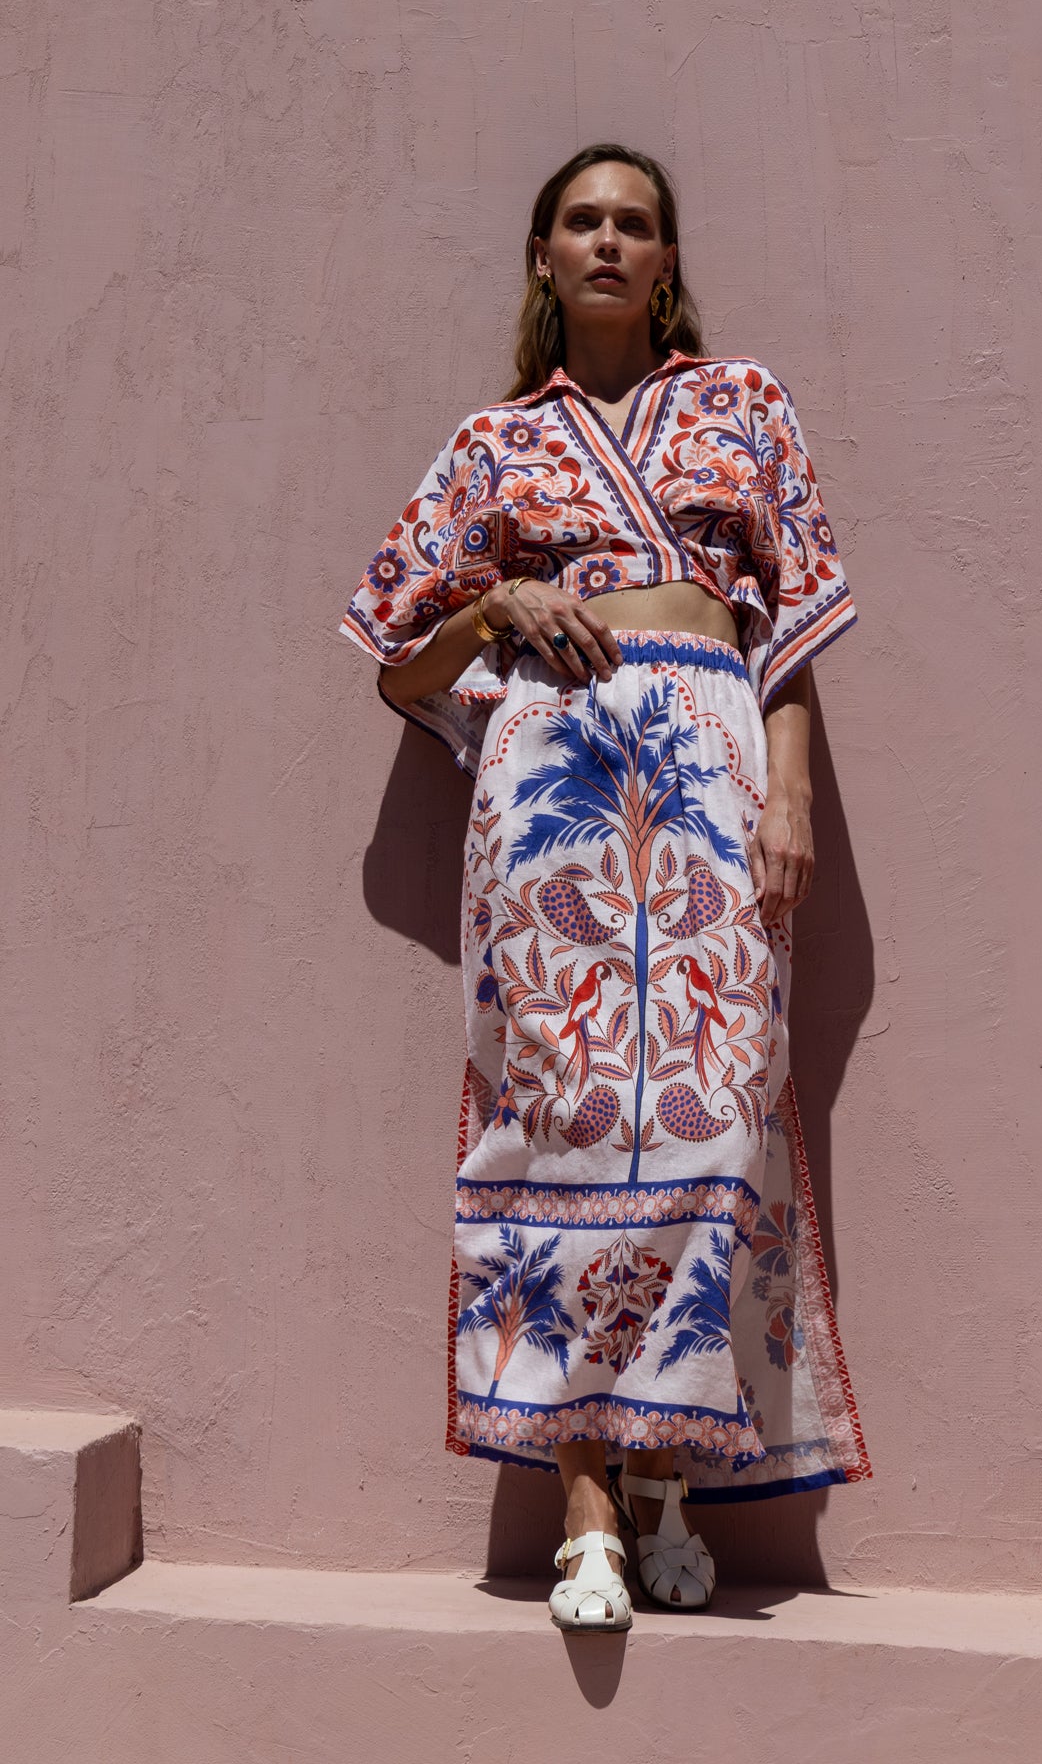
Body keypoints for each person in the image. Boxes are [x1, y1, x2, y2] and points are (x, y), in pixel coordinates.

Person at [338, 142, 872, 1633]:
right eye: (583, 221)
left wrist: (794, 795)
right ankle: (582, 1495)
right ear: (542, 255)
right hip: (555, 788)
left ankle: (664, 1480)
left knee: (712, 1108)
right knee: (564, 1115)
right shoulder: (493, 444)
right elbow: (397, 661)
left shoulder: (744, 407)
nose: (610, 242)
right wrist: (490, 601)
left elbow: (789, 638)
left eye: (636, 223)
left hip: (711, 767)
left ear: (666, 257)